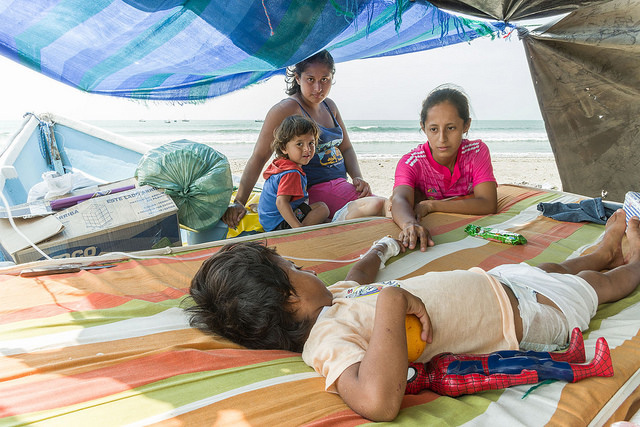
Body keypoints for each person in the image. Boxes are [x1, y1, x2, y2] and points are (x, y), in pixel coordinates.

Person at [187, 210, 640, 421]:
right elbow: (377, 402)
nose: (307, 269)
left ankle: (603, 249)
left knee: (556, 268)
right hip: (528, 317)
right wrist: (392, 299)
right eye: (297, 269)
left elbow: (360, 274)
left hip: (504, 284)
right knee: (598, 288)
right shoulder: (325, 341)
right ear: (289, 299)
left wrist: (380, 249)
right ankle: (633, 261)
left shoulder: (333, 300)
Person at [222, 50, 372, 228]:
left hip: (339, 186)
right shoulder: (286, 109)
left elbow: (346, 148)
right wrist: (239, 201)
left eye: (325, 79)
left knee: (370, 205)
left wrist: (357, 178)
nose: (318, 88)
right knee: (376, 207)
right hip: (313, 191)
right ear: (297, 78)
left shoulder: (330, 106)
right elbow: (260, 156)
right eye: (310, 79)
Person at [391, 85, 498, 252]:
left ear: (466, 125)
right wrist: (409, 224)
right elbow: (399, 199)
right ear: (423, 127)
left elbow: (488, 203)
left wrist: (432, 206)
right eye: (434, 129)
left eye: (451, 128)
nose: (442, 138)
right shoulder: (411, 162)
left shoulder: (476, 152)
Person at [405, 327, 612, 397]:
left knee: (530, 355)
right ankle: (595, 369)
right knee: (537, 366)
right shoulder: (444, 383)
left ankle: (570, 357)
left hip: (493, 358)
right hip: (499, 370)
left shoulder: (434, 362)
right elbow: (483, 383)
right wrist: (519, 378)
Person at [257, 115, 329, 231]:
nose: (307, 149)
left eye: (311, 143)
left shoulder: (280, 164)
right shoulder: (292, 173)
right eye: (299, 144)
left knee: (319, 208)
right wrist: (298, 228)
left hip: (269, 220)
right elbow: (281, 202)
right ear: (284, 148)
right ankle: (302, 232)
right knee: (323, 209)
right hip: (279, 224)